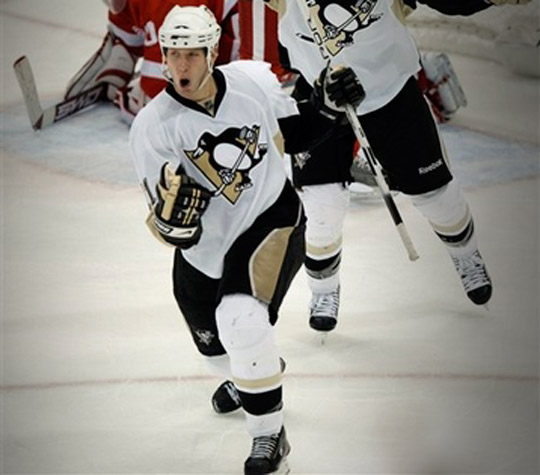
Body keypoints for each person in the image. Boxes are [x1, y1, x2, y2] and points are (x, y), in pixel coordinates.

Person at [129, 5, 364, 473]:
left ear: (212, 52)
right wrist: (174, 226)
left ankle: (269, 438)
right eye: (172, 54)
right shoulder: (152, 128)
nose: (180, 65)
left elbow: (294, 134)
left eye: (192, 54)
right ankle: (256, 369)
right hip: (206, 249)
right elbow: (164, 223)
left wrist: (329, 107)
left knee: (241, 319)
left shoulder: (251, 83)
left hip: (270, 218)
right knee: (216, 351)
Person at [270, 0, 529, 334]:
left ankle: (467, 256)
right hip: (321, 96)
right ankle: (323, 290)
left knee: (437, 197)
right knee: (322, 206)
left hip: (390, 92)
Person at [64, 0, 239, 121]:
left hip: (242, 67)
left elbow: (161, 99)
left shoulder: (173, 7)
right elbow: (127, 24)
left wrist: (126, 97)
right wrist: (122, 50)